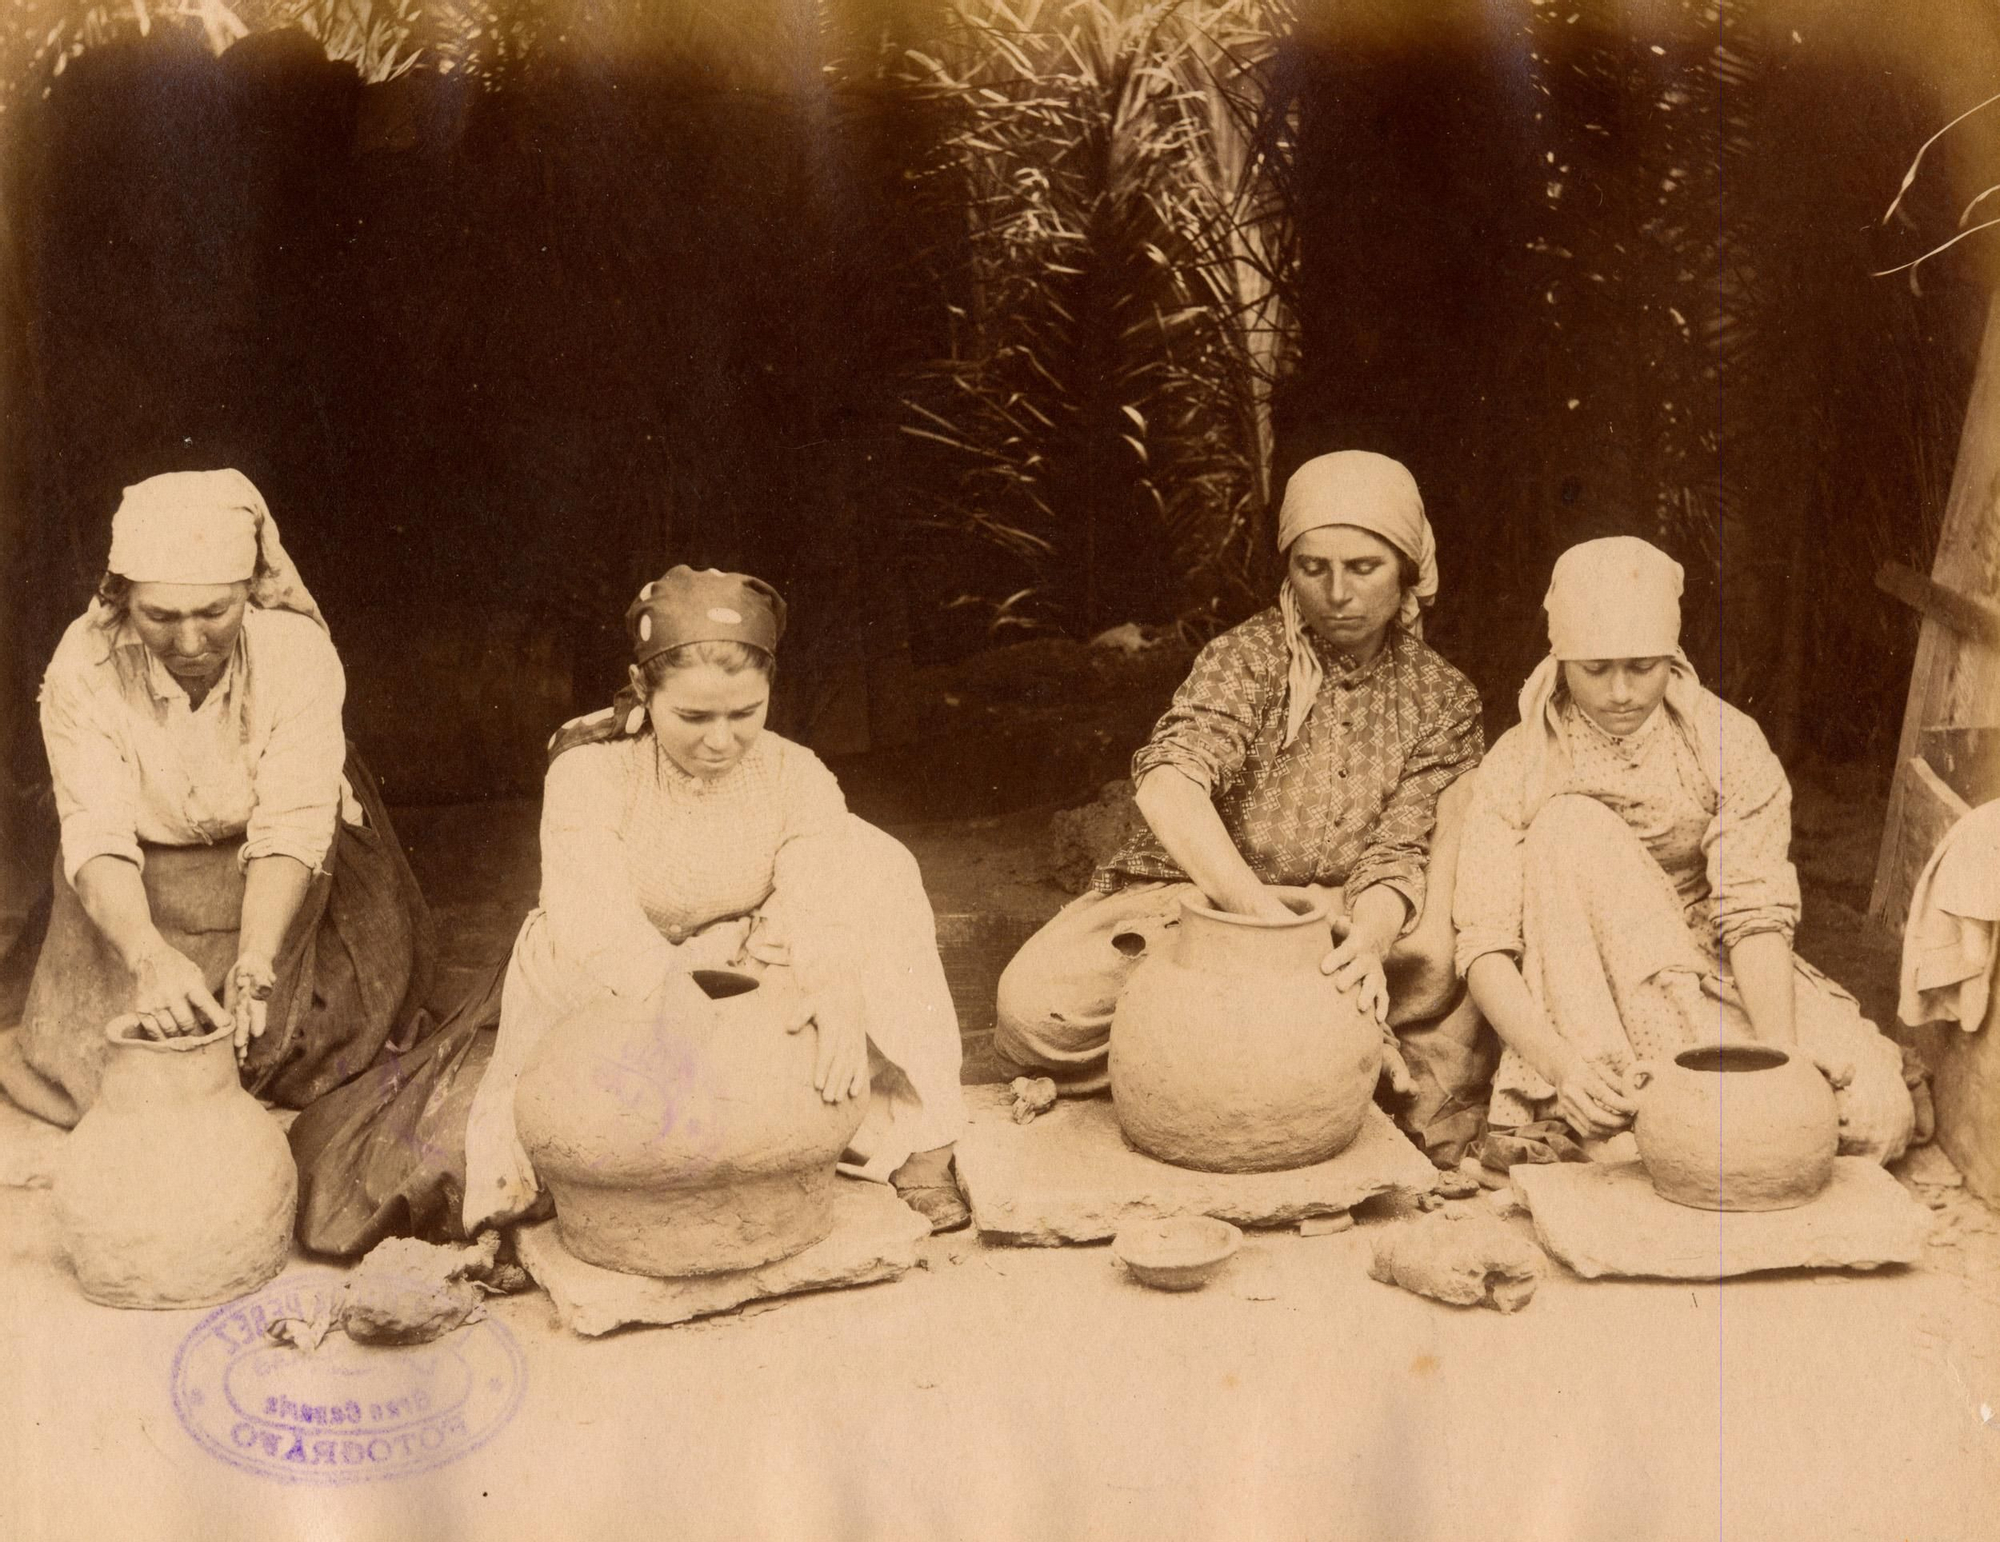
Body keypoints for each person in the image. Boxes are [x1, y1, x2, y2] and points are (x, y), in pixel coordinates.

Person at [288, 565, 969, 1254]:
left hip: (741, 942)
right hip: (603, 966)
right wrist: (682, 999)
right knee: (592, 1128)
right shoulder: (591, 770)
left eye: (745, 714)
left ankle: (922, 1133)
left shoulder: (798, 774)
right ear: (644, 688)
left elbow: (820, 894)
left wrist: (834, 981)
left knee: (876, 864)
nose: (721, 740)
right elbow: (593, 919)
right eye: (693, 717)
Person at [994, 451, 1486, 1125]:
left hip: (1344, 918)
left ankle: (1250, 1045)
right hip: (1204, 904)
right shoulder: (1246, 659)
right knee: (1035, 1007)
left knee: (1433, 960)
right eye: (1313, 568)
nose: (1336, 593)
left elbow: (1400, 848)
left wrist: (1368, 942)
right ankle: (1332, 1045)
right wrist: (1259, 921)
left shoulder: (1441, 697)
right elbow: (1170, 783)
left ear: (1407, 568)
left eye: (1363, 568)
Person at [1453, 536, 1914, 1159]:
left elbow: (1753, 915)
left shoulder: (1724, 741)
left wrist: (1780, 1061)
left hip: (1710, 966)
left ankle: (1703, 1111)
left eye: (1643, 666)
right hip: (1581, 993)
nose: (1621, 692)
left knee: (1874, 1119)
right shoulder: (1520, 764)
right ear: (1560, 660)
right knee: (1567, 825)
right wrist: (1566, 1071)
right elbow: (1484, 948)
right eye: (1596, 669)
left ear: (1673, 657)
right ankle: (1621, 1105)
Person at [0, 470, 435, 1125]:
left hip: (275, 875)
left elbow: (291, 827)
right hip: (138, 883)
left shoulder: (296, 656)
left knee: (308, 1048)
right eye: (161, 616)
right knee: (105, 1074)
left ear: (251, 592)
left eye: (214, 612)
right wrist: (146, 958)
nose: (191, 643)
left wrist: (257, 961)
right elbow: (96, 835)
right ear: (123, 601)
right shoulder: (82, 668)